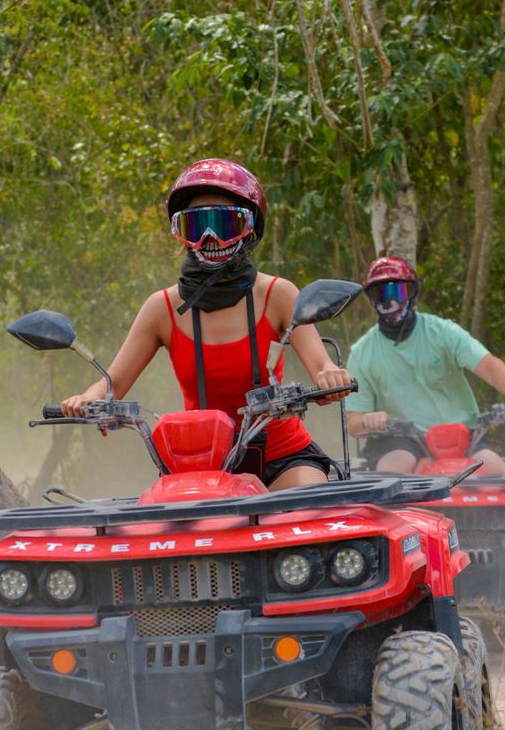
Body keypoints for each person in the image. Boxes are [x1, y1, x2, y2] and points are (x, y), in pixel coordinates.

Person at [61, 158, 351, 490]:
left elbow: (322, 366)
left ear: (249, 228)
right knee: (174, 519)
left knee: (307, 506)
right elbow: (112, 384)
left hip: (285, 457)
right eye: (195, 226)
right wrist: (88, 397)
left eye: (223, 224)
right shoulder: (162, 308)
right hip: (200, 465)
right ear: (180, 234)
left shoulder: (278, 294)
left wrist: (331, 375)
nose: (209, 237)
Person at [345, 256, 505, 475]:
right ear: (371, 300)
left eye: (398, 292)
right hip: (400, 439)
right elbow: (353, 422)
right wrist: (368, 420)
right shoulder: (362, 353)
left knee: (497, 472)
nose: (390, 301)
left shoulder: (443, 332)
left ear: (412, 293)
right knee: (396, 470)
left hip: (462, 433)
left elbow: (489, 366)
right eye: (381, 294)